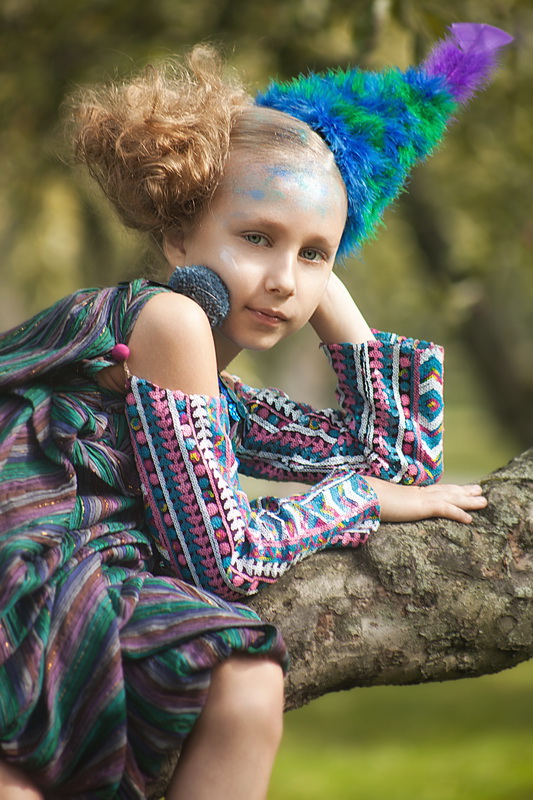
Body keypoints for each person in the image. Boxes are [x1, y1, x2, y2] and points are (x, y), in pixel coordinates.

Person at [0, 23, 512, 800]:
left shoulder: (222, 400)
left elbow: (399, 465)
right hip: (24, 593)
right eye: (255, 237)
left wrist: (323, 287)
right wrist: (357, 499)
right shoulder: (165, 324)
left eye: (314, 253)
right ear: (178, 234)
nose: (282, 280)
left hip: (83, 594)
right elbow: (225, 559)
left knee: (247, 678)